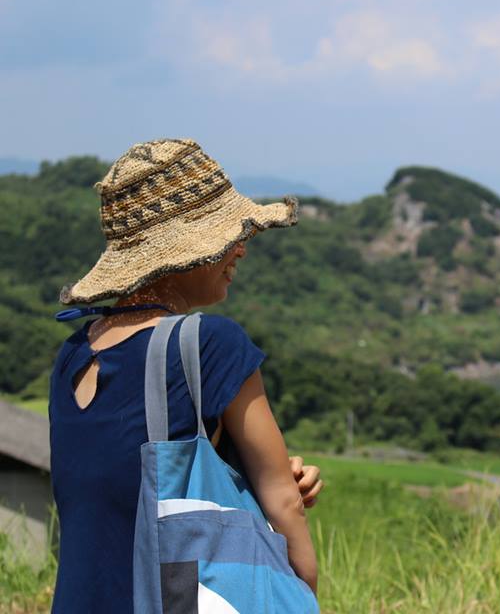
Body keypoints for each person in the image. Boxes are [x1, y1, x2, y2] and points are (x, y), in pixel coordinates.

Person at [49, 139, 324, 612]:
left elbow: (124, 485)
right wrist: (300, 590)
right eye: (227, 237)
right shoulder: (209, 344)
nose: (241, 248)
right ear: (181, 254)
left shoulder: (73, 355)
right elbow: (284, 500)